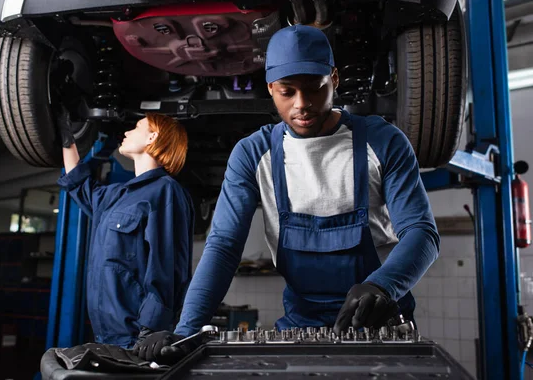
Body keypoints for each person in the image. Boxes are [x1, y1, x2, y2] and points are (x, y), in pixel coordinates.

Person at [132, 24, 440, 363]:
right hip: (301, 326)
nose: (302, 104)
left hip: (381, 323)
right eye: (287, 92)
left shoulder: (382, 141)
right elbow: (223, 246)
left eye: (315, 89)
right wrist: (186, 329)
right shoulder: (253, 154)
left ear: (334, 79)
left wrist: (383, 286)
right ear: (270, 88)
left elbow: (422, 233)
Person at [56, 111, 194, 349]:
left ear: (152, 137)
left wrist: (151, 329)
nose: (127, 132)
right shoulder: (118, 195)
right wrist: (65, 131)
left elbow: (167, 265)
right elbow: (78, 182)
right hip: (105, 334)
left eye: (137, 126)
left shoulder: (165, 191)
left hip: (137, 338)